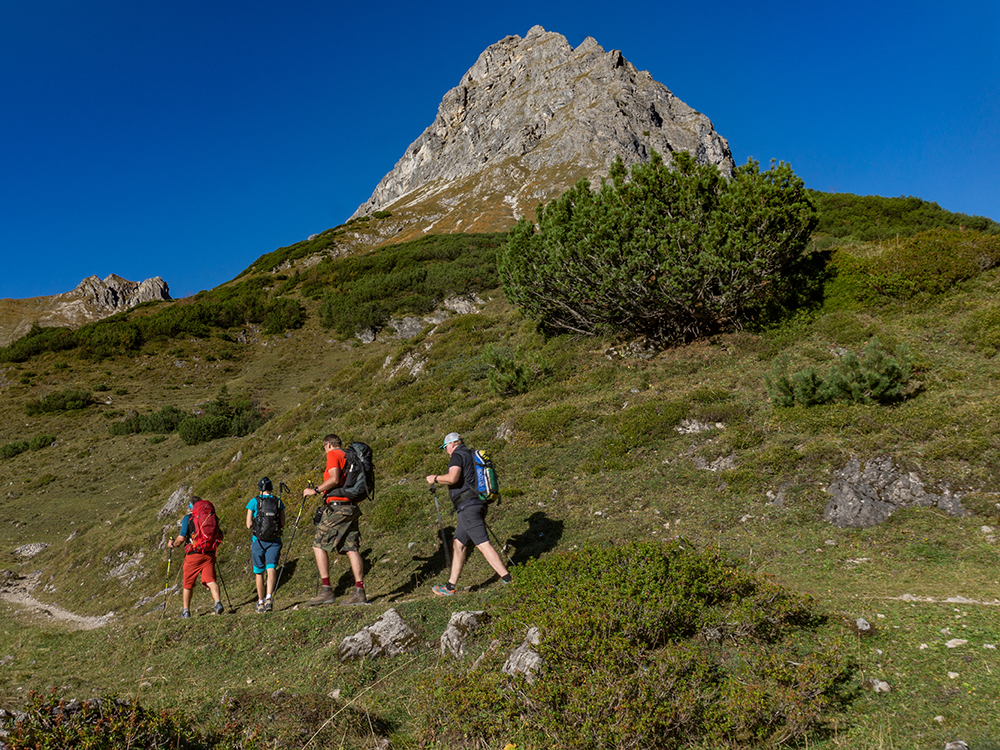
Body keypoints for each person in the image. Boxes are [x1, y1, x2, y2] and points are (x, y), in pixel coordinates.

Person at [426, 432, 511, 595]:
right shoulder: (471, 454)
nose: (445, 451)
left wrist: (434, 478)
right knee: (459, 543)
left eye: (445, 447)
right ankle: (450, 587)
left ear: (451, 444)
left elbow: (452, 478)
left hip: (468, 507)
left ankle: (508, 579)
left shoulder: (457, 456)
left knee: (483, 544)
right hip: (477, 503)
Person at [302, 434, 367, 606]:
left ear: (328, 444)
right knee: (351, 548)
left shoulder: (333, 454)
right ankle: (359, 591)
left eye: (324, 447)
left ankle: (326, 590)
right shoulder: (349, 456)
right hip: (351, 506)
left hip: (338, 507)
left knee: (318, 545)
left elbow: (334, 479)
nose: (325, 451)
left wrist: (314, 490)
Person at [168, 497, 223, 617]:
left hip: (193, 554)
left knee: (188, 584)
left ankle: (186, 611)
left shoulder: (189, 518)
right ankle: (218, 603)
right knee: (210, 580)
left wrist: (173, 544)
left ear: (191, 506)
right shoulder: (210, 516)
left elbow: (182, 538)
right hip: (209, 553)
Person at [246, 477, 286, 613]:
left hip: (258, 541)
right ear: (271, 488)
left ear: (259, 489)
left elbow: (248, 524)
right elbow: (282, 523)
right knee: (271, 568)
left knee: (259, 572)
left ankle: (260, 602)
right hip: (274, 541)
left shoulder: (254, 501)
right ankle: (269, 599)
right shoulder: (278, 501)